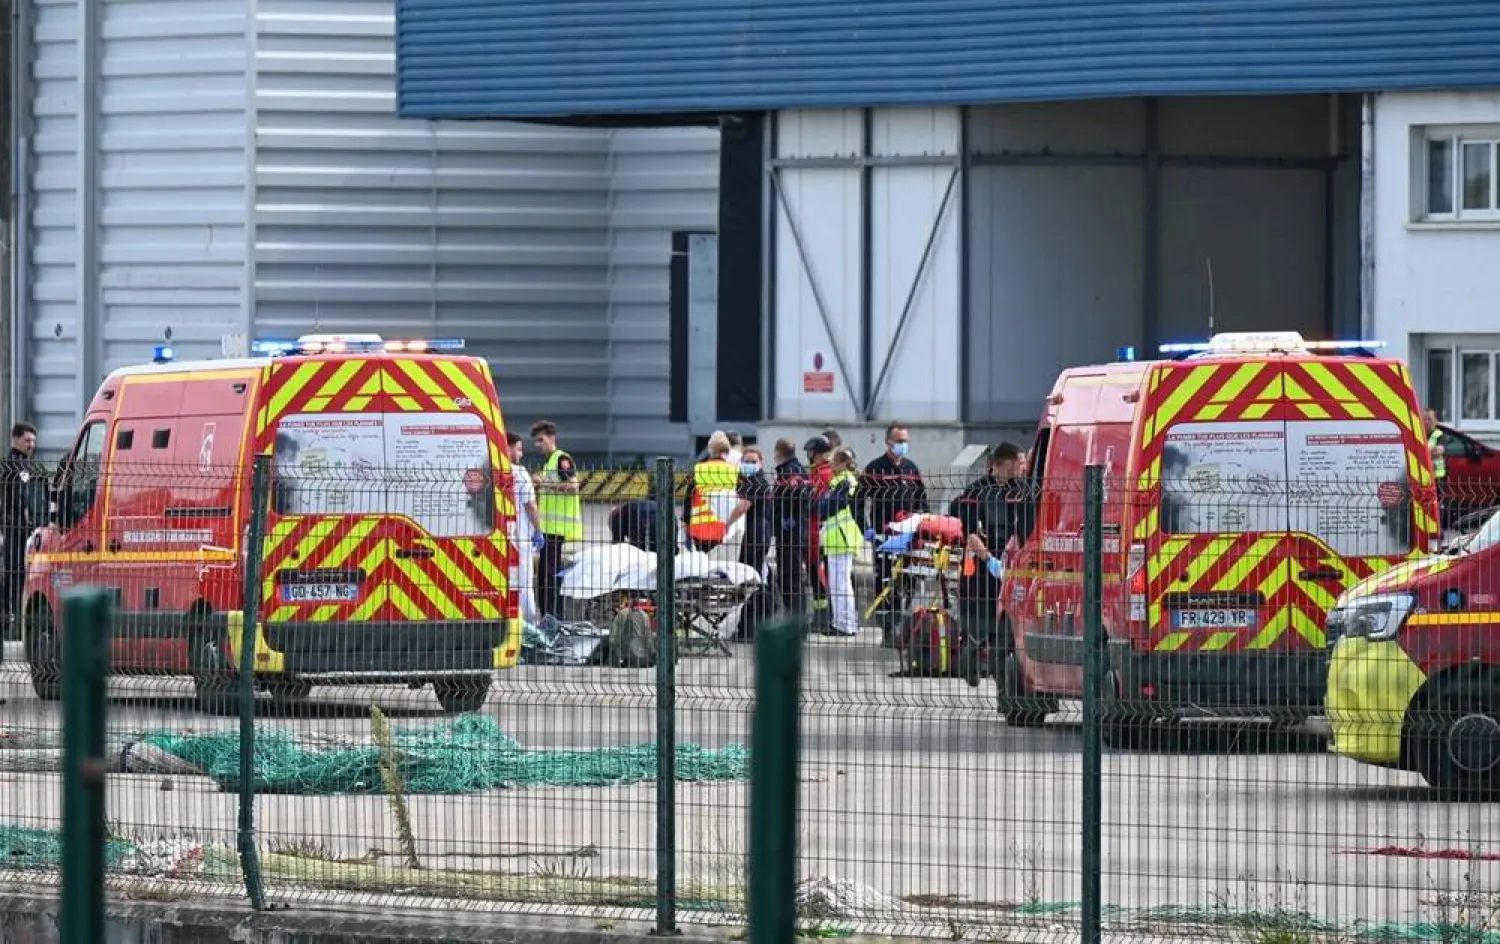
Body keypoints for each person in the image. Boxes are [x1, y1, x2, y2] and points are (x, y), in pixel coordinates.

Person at [951, 443, 1033, 687]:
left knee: (1002, 630)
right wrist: (991, 562)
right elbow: (970, 535)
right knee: (980, 624)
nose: (1021, 468)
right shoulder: (976, 494)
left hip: (1012, 566)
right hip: (982, 571)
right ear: (1004, 464)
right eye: (1018, 463)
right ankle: (970, 657)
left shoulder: (1021, 491)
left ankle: (1002, 681)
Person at [857, 424, 928, 631]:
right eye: (898, 441)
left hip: (908, 536)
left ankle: (902, 621)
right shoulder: (875, 468)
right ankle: (886, 625)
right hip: (883, 536)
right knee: (885, 579)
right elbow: (857, 502)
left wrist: (922, 524)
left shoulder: (911, 469)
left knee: (909, 579)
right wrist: (866, 529)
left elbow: (922, 501)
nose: (902, 445)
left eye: (905, 441)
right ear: (888, 442)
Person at [530, 420, 581, 619]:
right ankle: (547, 615)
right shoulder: (549, 462)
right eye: (536, 441)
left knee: (549, 576)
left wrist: (545, 485)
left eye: (541, 440)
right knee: (544, 576)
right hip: (547, 530)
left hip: (556, 529)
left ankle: (554, 616)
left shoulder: (561, 459)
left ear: (552, 438)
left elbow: (573, 485)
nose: (538, 445)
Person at [0, 422, 43, 644]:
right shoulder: (12, 464)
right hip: (14, 527)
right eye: (27, 440)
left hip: (26, 529)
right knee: (15, 574)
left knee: (24, 574)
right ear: (16, 439)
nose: (31, 445)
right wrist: (21, 515)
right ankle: (10, 622)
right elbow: (14, 497)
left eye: (33, 441)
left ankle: (19, 620)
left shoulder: (28, 463)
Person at [817, 447, 864, 637]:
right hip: (836, 538)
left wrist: (822, 502)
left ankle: (845, 624)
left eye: (835, 462)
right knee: (837, 584)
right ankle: (840, 622)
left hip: (842, 537)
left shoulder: (846, 482)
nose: (832, 466)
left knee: (841, 584)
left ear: (844, 463)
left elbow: (829, 506)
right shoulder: (838, 483)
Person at [506, 432, 546, 625]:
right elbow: (531, 506)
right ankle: (529, 625)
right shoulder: (520, 473)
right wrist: (538, 530)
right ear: (507, 447)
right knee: (523, 584)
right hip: (519, 538)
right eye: (519, 449)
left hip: (495, 538)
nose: (521, 454)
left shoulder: (488, 471)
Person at [770, 439, 809, 613]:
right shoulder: (798, 469)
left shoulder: (789, 471)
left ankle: (795, 615)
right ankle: (794, 613)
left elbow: (796, 496)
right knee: (791, 575)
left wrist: (788, 516)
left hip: (790, 533)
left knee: (789, 576)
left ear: (778, 452)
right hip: (795, 530)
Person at [684, 430, 740, 551]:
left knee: (701, 564)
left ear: (710, 450)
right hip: (725, 528)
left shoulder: (699, 469)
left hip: (700, 528)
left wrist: (686, 523)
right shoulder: (735, 470)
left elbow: (689, 499)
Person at [724, 445, 774, 577]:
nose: (749, 464)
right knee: (756, 569)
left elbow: (743, 506)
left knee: (751, 570)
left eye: (753, 462)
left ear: (760, 463)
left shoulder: (756, 482)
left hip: (758, 532)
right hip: (756, 530)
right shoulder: (747, 480)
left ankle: (763, 597)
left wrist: (726, 523)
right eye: (746, 461)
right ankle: (765, 596)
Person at [803, 436, 836, 629]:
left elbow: (817, 502)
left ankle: (823, 616)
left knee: (817, 573)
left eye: (810, 452)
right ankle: (821, 614)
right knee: (816, 573)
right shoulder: (818, 473)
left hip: (818, 530)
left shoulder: (823, 475)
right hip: (815, 529)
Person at [1424, 407, 1451, 528]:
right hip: (1423, 477)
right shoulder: (1420, 434)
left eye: (1429, 419)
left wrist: (1421, 453)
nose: (1426, 421)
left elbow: (1439, 451)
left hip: (1438, 478)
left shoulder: (1439, 435)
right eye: (1424, 419)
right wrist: (1430, 451)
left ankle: (1439, 530)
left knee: (1438, 507)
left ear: (1435, 421)